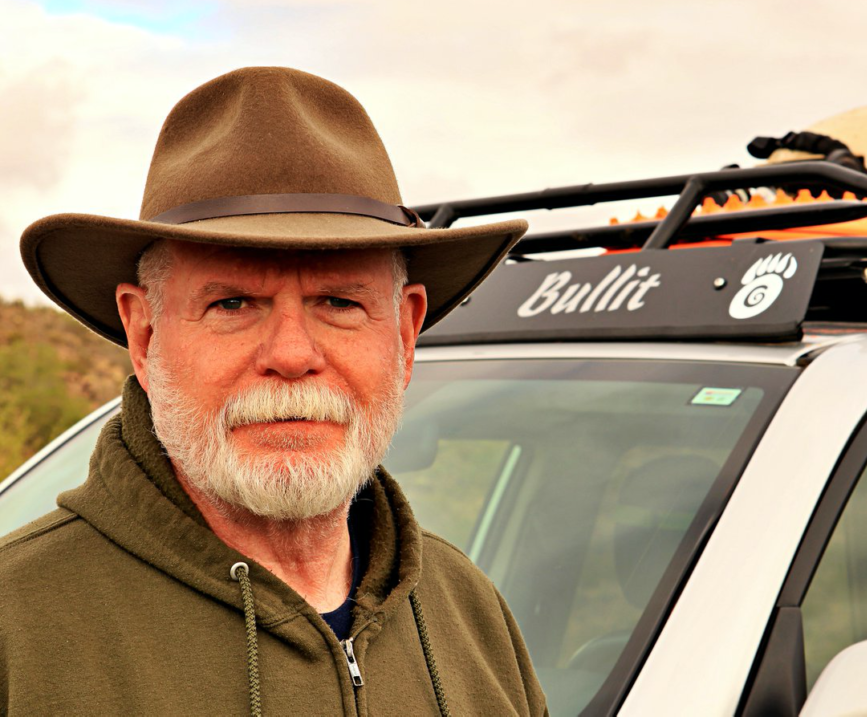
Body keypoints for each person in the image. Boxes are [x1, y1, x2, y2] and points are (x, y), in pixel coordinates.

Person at [3, 67, 548, 715]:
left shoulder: (473, 616)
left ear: (404, 333)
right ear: (144, 333)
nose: (291, 355)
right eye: (233, 302)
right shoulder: (16, 634)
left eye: (339, 301)